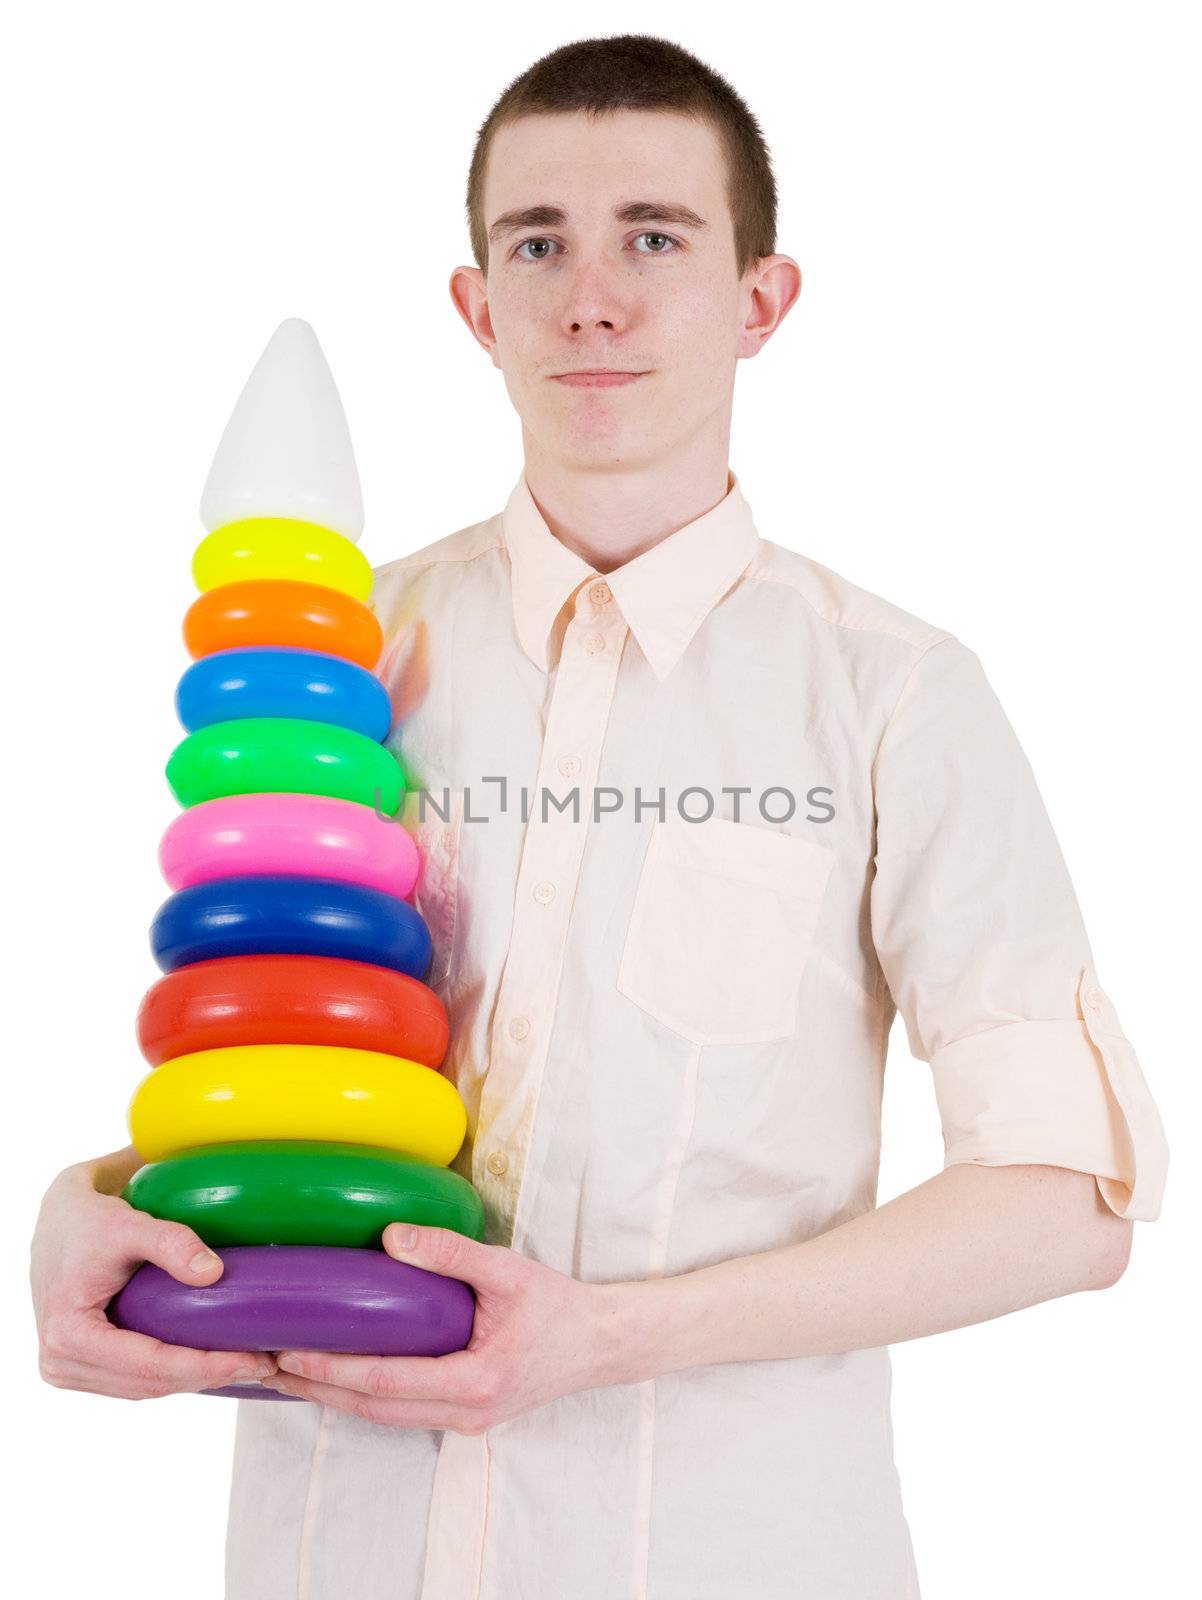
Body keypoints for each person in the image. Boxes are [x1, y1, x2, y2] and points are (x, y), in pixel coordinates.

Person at [31, 33, 1169, 1600]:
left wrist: (607, 1339)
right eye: (536, 244)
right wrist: (83, 1207)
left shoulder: (894, 692)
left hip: (730, 1558)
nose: (591, 298)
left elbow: (1062, 1206)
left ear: (758, 299)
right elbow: (289, 1070)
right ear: (473, 302)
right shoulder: (335, 659)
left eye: (654, 235)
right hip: (332, 1556)